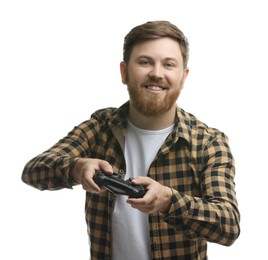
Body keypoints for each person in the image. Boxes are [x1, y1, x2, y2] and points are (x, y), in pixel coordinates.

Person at [22, 20, 240, 260]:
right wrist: (75, 167)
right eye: (145, 62)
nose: (157, 73)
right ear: (124, 72)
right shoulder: (100, 127)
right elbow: (33, 171)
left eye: (168, 64)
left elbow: (228, 225)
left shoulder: (208, 142)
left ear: (183, 77)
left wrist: (169, 200)